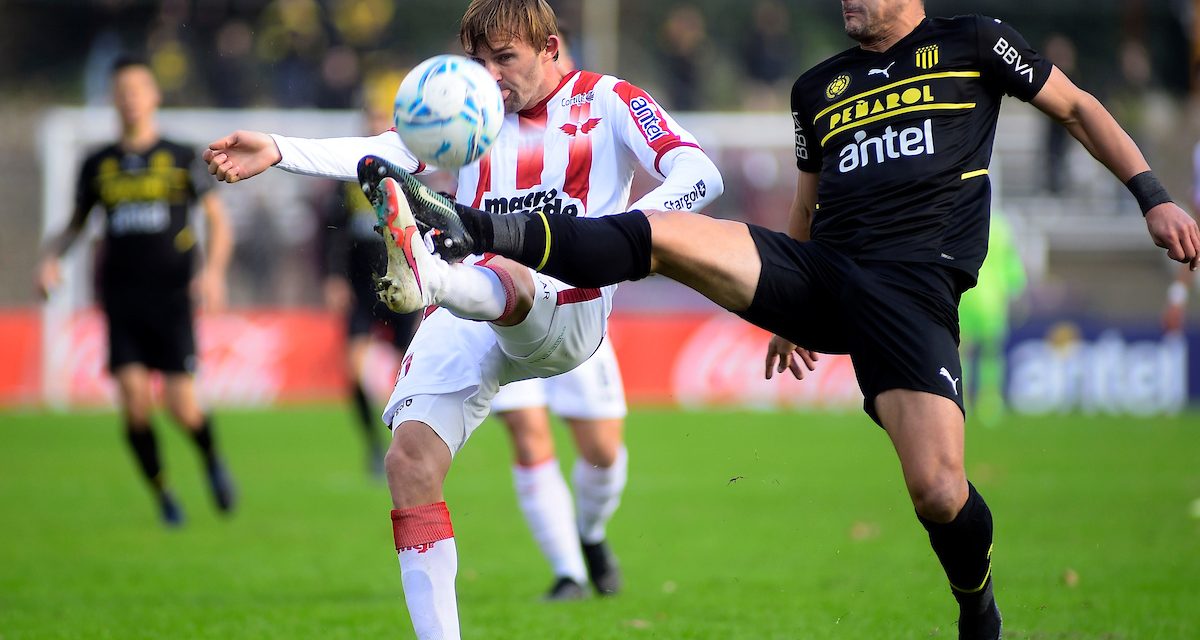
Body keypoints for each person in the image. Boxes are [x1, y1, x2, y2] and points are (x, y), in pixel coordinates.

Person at [378, 2, 1200, 638]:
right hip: (818, 272)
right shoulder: (821, 88)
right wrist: (788, 311)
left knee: (939, 492)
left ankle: (976, 605)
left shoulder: (978, 43)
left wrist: (1152, 196)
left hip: (909, 291)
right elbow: (805, 207)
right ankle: (474, 233)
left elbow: (1081, 108)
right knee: (659, 232)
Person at [203, 0, 723, 636]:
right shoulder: (473, 114)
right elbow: (379, 153)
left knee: (577, 402)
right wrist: (277, 149)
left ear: (551, 49)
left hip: (569, 304)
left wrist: (616, 234)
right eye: (479, 61)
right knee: (410, 462)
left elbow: (701, 173)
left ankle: (431, 273)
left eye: (506, 58)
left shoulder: (611, 100)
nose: (491, 75)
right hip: (471, 306)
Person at [36, 56, 237, 527]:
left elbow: (217, 221)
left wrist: (214, 273)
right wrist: (50, 259)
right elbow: (75, 224)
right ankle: (164, 493)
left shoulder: (180, 155)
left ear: (153, 97)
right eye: (121, 91)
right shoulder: (97, 164)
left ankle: (210, 459)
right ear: (113, 99)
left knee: (180, 404)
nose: (129, 99)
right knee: (133, 401)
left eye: (137, 90)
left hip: (171, 298)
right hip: (122, 299)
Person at [318, 81, 423, 479]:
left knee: (407, 373)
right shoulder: (348, 177)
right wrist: (332, 277)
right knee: (354, 370)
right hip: (360, 289)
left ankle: (406, 443)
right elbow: (331, 231)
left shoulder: (409, 174)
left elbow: (425, 229)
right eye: (371, 120)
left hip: (404, 288)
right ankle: (371, 445)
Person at [957, 210, 1026, 425]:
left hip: (966, 295)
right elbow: (1012, 267)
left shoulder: (963, 219)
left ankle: (963, 398)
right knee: (991, 352)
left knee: (962, 351)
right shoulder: (1001, 227)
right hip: (993, 298)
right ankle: (991, 400)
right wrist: (1016, 291)